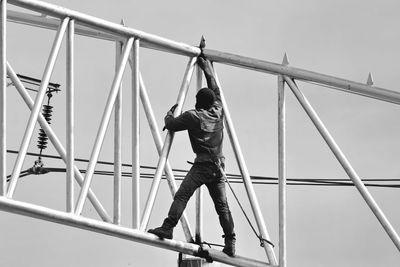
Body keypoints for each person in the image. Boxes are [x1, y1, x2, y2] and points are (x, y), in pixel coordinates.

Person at [148, 55, 236, 257]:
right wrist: (206, 68)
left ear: (198, 102)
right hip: (218, 167)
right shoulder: (218, 111)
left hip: (202, 166)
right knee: (222, 207)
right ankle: (230, 243)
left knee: (182, 195)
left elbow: (171, 124)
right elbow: (216, 90)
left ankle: (168, 227)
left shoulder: (193, 116)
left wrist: (169, 114)